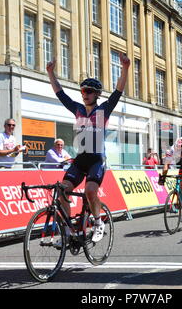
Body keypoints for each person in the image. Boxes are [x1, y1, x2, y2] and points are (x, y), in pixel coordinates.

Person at [46, 53, 130, 243]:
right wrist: (50, 73)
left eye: (89, 91)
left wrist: (125, 68)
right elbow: (60, 93)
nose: (85, 94)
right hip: (80, 160)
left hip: (96, 160)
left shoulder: (104, 110)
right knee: (62, 191)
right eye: (83, 91)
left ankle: (99, 222)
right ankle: (68, 231)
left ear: (97, 94)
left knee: (90, 191)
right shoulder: (78, 109)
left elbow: (118, 91)